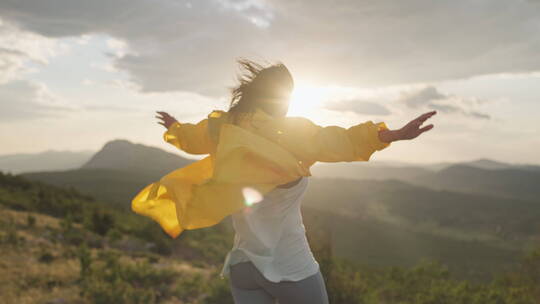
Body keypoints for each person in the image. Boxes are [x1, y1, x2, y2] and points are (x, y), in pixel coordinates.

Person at [133, 58, 436, 303]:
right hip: (292, 271)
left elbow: (192, 138)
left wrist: (175, 127)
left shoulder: (223, 129)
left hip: (243, 269)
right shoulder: (293, 135)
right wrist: (392, 135)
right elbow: (340, 140)